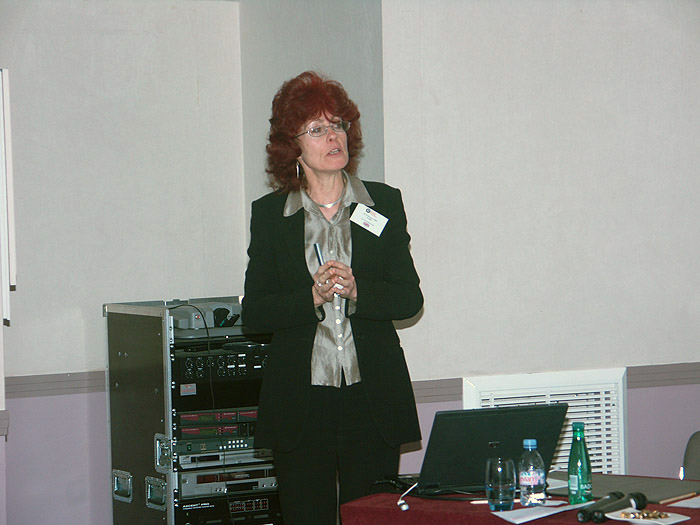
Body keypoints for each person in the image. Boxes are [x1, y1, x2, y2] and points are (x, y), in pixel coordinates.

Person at [242, 71, 423, 524]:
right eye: (317, 129)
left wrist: (358, 290)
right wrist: (311, 297)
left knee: (371, 519)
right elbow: (256, 313)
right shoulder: (271, 216)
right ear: (292, 146)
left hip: (370, 398)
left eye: (338, 124)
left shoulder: (382, 204)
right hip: (302, 403)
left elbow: (409, 298)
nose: (333, 136)